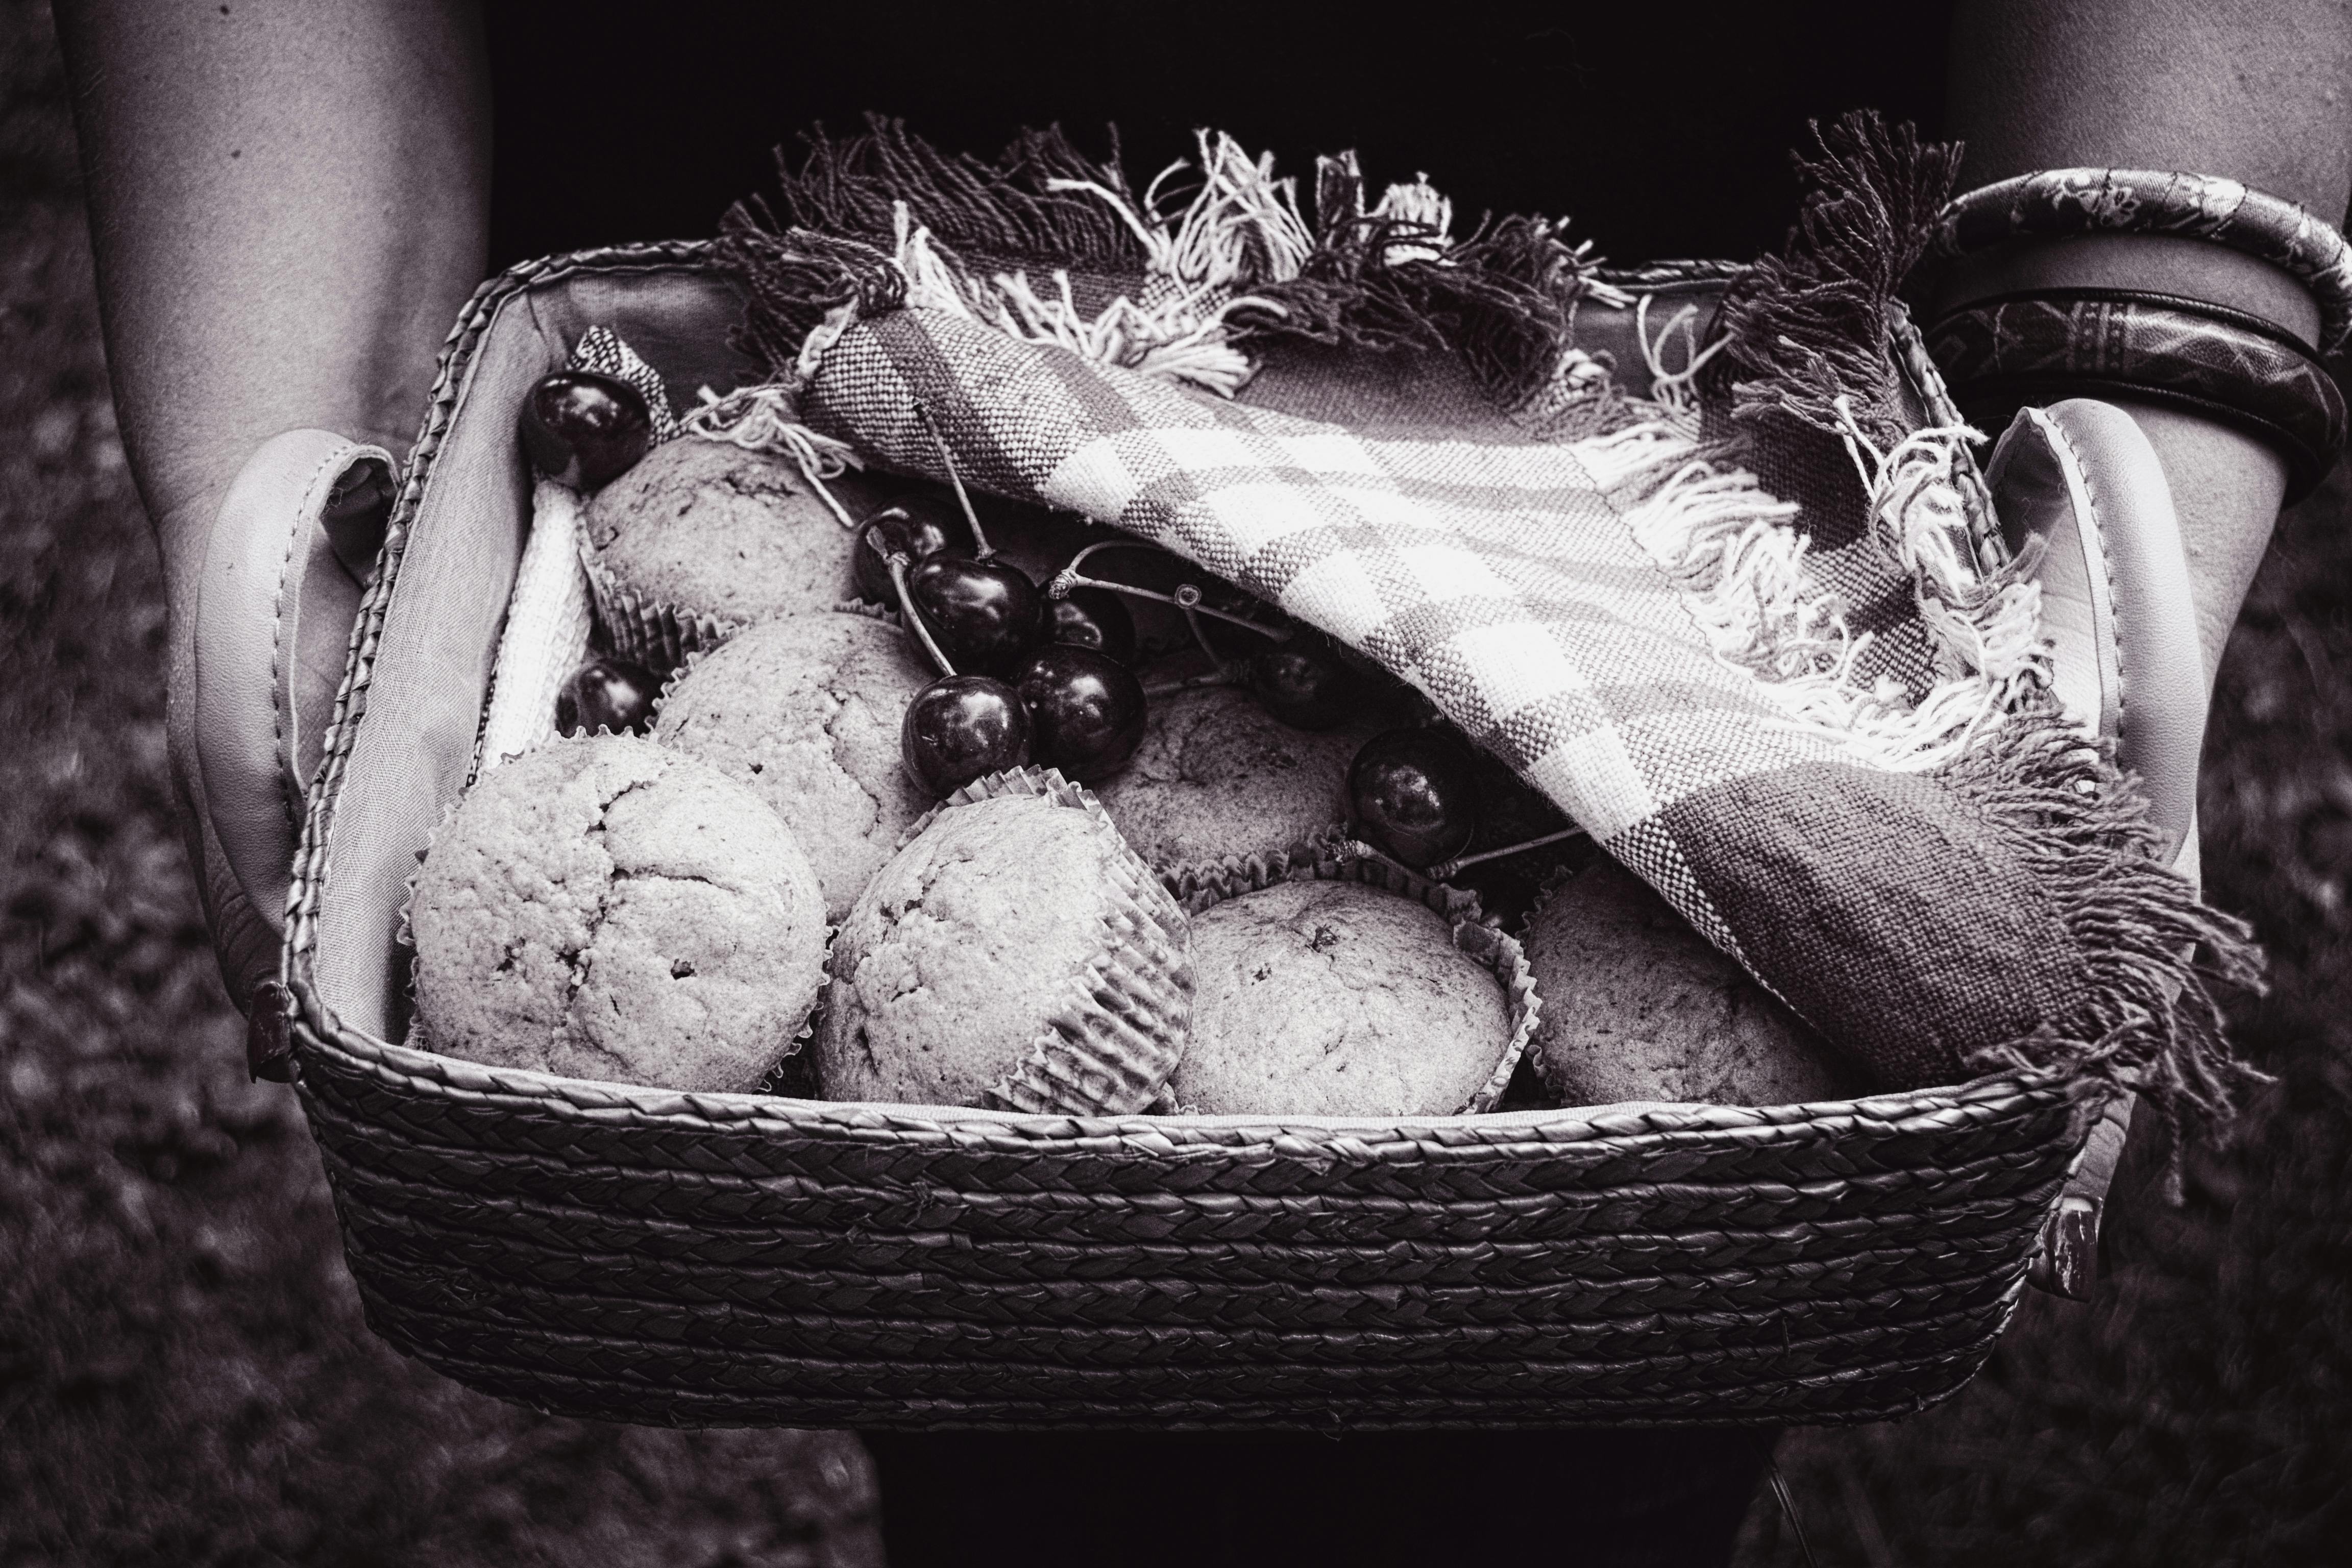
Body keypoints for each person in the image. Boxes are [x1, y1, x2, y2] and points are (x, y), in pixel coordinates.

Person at [50, 3, 2352, 1563]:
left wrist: (2147, 407)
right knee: (986, 1352)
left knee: (1588, 1421)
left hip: (1660, 329)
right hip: (866, 310)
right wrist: (289, 460)